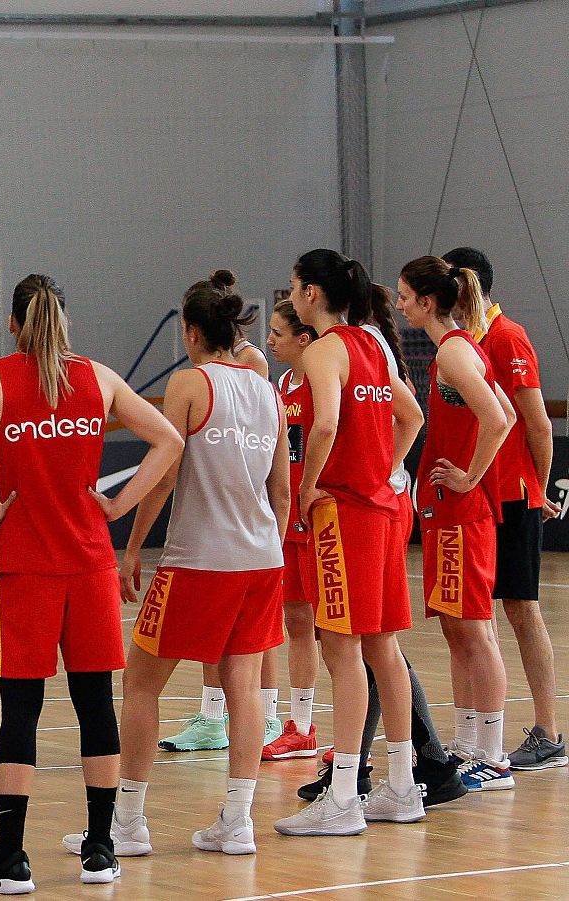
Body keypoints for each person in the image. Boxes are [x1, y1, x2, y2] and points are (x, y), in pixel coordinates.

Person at [0, 273, 182, 890]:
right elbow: (168, 439)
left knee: (21, 711)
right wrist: (118, 508)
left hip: (25, 570)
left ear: (13, 323)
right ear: (65, 323)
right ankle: (101, 849)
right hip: (90, 565)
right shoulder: (98, 379)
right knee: (94, 706)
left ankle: (12, 857)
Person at [104, 271, 287, 859]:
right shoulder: (269, 391)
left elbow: (161, 480)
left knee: (140, 681)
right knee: (245, 685)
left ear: (189, 331)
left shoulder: (188, 384)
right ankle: (237, 822)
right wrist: (265, 546)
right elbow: (282, 493)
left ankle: (127, 823)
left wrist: (132, 548)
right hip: (261, 559)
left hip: (198, 561)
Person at [274, 249, 426, 836]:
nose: (289, 296)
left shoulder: (324, 350)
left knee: (341, 651)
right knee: (382, 649)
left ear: (312, 294)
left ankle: (343, 797)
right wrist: (382, 470)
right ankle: (403, 786)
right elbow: (411, 417)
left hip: (344, 516)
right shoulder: (372, 344)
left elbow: (327, 424)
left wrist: (309, 487)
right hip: (385, 510)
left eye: (293, 287)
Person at [444, 246, 566, 771]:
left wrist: (538, 490)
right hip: (478, 496)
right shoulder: (463, 342)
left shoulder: (507, 336)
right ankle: (476, 732)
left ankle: (548, 731)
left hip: (512, 494)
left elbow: (536, 423)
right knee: (476, 616)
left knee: (521, 607)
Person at [397, 255, 516, 791]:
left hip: (463, 513)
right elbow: (503, 414)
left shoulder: (453, 353)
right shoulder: (457, 349)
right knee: (457, 630)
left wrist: (470, 476)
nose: (398, 305)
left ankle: (492, 754)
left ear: (427, 302)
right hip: (448, 512)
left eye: (404, 297)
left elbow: (500, 418)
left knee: (474, 631)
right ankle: (470, 742)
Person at [260, 300, 322, 761]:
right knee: (296, 619)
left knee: (339, 630)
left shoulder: (325, 381)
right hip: (287, 515)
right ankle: (300, 724)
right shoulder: (282, 385)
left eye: (278, 333)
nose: (269, 341)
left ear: (304, 339)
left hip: (321, 518)